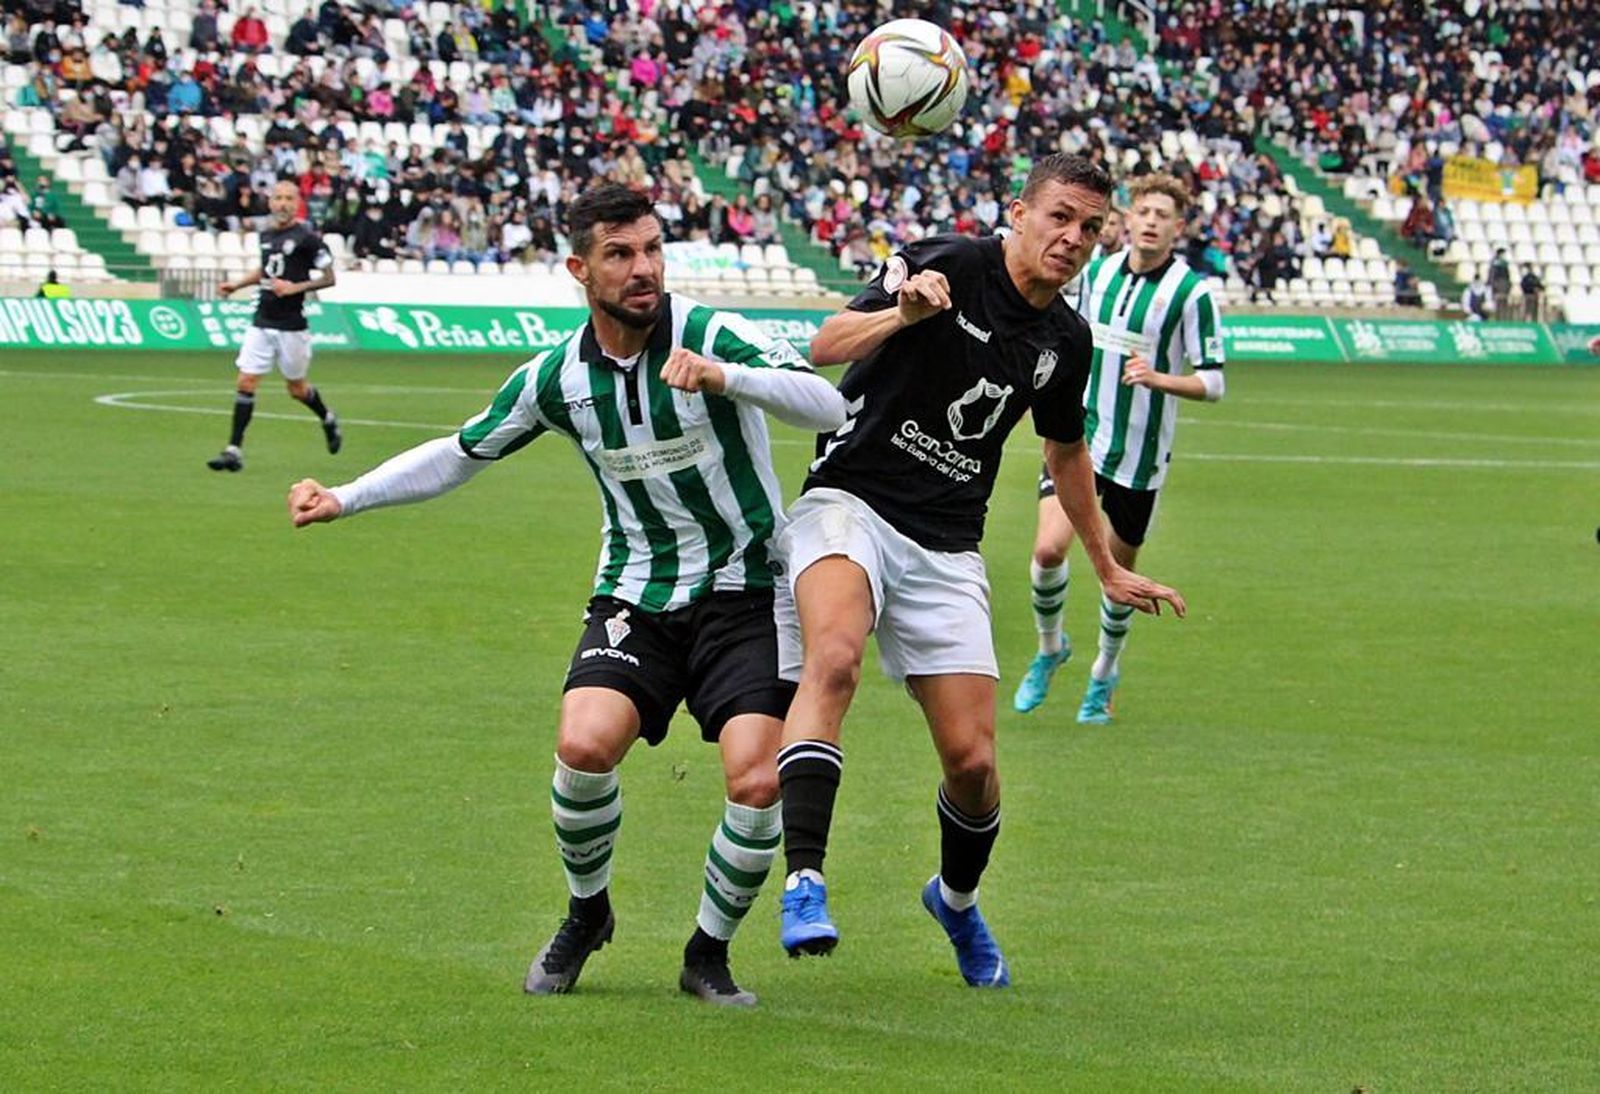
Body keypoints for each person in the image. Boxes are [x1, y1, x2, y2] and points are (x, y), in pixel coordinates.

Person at [284, 183, 847, 1007]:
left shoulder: (711, 332)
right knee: (584, 746)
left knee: (756, 781)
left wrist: (730, 379)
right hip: (634, 594)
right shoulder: (557, 378)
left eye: (652, 249)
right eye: (620, 254)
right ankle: (588, 914)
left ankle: (707, 951)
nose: (643, 268)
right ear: (579, 268)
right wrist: (347, 496)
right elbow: (461, 451)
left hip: (746, 591)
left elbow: (828, 404)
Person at [771, 154, 1185, 986]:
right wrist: (900, 314)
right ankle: (805, 882)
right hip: (848, 501)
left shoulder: (1067, 339)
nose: (1072, 239)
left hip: (947, 545)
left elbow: (1066, 453)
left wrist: (1105, 565)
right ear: (1020, 211)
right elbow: (822, 346)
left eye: (1088, 228)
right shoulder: (949, 262)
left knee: (974, 764)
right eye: (1060, 217)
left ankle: (954, 902)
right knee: (836, 657)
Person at [1012, 171, 1223, 722]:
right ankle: (1050, 647)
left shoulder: (1191, 293)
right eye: (1144, 212)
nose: (1152, 222)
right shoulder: (1096, 273)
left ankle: (1103, 674)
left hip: (1139, 456)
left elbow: (1214, 381)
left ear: (1178, 228)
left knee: (1120, 579)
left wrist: (1160, 379)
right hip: (1079, 437)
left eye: (1164, 216)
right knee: (1047, 552)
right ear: (1127, 219)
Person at [207, 180, 342, 473]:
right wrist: (237, 284)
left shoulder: (308, 238)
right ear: (270, 203)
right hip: (262, 318)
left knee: (296, 389)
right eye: (277, 198)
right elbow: (266, 270)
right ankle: (233, 450)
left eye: (288, 198)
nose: (282, 203)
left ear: (297, 203)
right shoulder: (266, 235)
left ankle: (327, 417)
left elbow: (330, 278)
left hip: (292, 325)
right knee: (245, 381)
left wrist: (295, 288)